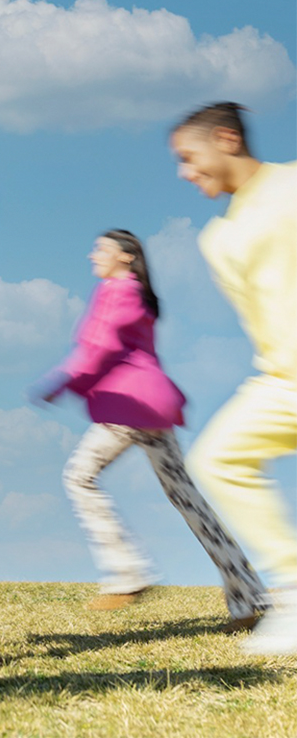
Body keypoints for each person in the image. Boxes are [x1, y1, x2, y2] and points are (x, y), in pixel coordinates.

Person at [27, 230, 266, 624]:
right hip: (152, 409)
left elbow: (100, 346)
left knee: (79, 476)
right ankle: (248, 596)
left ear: (126, 256)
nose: (93, 255)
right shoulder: (135, 292)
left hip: (128, 405)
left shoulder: (118, 291)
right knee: (188, 501)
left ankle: (127, 571)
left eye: (101, 248)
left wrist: (60, 381)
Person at [171, 102, 297, 654]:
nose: (184, 171)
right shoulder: (218, 239)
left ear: (226, 139)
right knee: (217, 457)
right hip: (283, 381)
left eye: (189, 157)